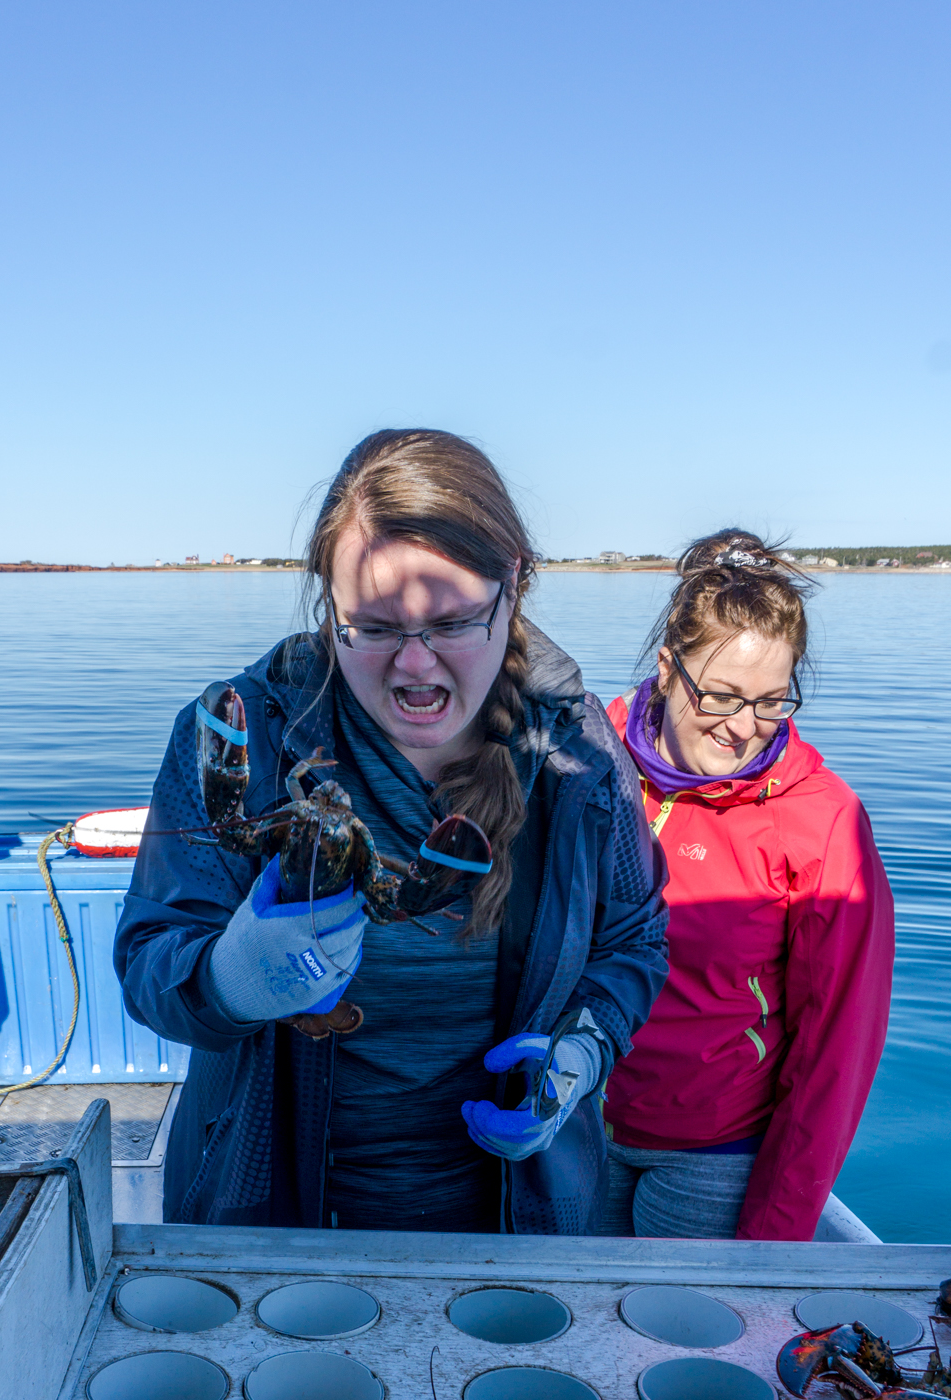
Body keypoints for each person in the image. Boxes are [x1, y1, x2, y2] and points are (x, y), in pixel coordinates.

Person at [116, 429, 669, 1232]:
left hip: (517, 1213)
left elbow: (633, 941)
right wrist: (227, 980)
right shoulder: (249, 734)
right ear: (327, 603)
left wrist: (580, 1054)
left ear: (512, 584)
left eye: (450, 623)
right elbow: (148, 959)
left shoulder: (574, 753)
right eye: (371, 628)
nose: (414, 666)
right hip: (270, 1207)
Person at [601, 530, 895, 1241]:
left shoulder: (822, 821)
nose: (743, 729)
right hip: (569, 1124)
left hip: (712, 1151)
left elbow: (838, 1048)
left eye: (770, 702)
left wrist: (776, 1230)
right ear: (668, 669)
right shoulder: (585, 764)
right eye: (722, 696)